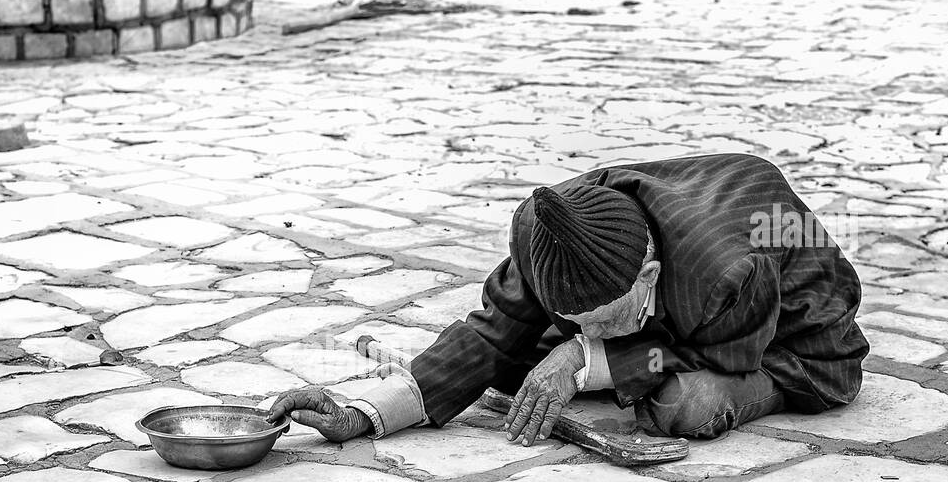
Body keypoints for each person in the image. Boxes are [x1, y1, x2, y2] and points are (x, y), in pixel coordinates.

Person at [268, 152, 868, 447]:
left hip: (783, 343)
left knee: (687, 405)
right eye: (582, 324)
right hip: (676, 313)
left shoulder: (726, 273)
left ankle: (598, 362)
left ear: (650, 273)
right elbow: (492, 329)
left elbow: (725, 356)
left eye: (606, 321)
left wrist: (582, 357)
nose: (595, 332)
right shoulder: (547, 236)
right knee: (520, 359)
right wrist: (363, 414)